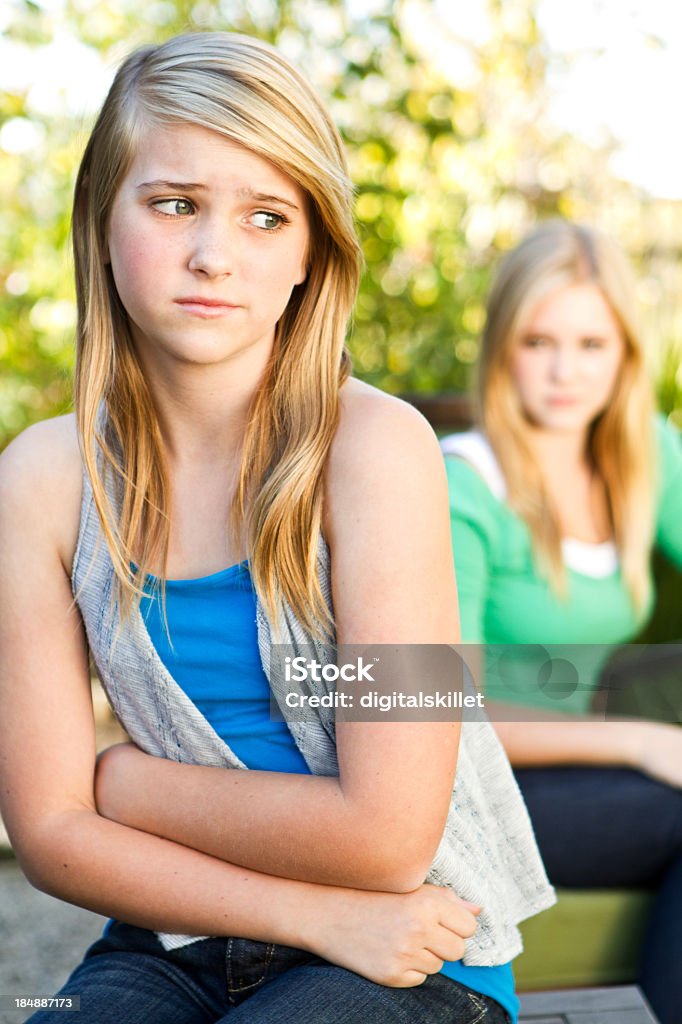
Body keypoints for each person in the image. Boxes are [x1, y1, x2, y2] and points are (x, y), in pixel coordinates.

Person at [0, 32, 554, 1024]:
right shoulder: (44, 479)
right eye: (175, 204)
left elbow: (388, 836)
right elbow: (46, 833)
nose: (215, 254)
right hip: (175, 931)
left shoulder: (378, 450)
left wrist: (124, 783)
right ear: (103, 216)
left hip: (412, 947)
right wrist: (306, 912)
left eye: (267, 217)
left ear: (310, 254)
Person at [441, 219, 682, 1024]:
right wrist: (642, 741)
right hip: (469, 794)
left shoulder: (646, 454)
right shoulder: (464, 484)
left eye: (592, 344)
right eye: (540, 341)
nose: (565, 372)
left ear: (626, 355)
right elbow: (443, 710)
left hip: (584, 775)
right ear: (504, 345)